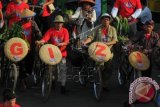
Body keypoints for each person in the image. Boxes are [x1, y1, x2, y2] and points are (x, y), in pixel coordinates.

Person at [83, 13, 118, 90]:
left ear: (109, 21)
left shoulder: (113, 29)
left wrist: (106, 44)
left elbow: (115, 41)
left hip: (108, 51)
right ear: (101, 21)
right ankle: (95, 78)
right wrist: (85, 42)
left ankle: (104, 84)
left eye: (107, 20)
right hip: (98, 50)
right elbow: (91, 37)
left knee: (108, 68)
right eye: (104, 19)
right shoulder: (97, 28)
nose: (106, 21)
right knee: (94, 64)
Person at [35, 15, 69, 94]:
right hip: (52, 53)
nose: (59, 24)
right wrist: (40, 42)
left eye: (60, 23)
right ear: (54, 23)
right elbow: (45, 38)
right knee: (52, 70)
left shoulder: (65, 31)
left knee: (63, 70)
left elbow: (66, 41)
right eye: (57, 23)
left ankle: (63, 87)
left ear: (62, 24)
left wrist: (60, 44)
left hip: (62, 53)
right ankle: (52, 81)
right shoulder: (51, 30)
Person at [17, 9, 42, 90]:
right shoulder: (18, 24)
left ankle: (25, 76)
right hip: (20, 47)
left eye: (29, 17)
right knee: (22, 64)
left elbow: (39, 34)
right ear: (23, 18)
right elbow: (14, 35)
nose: (28, 19)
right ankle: (22, 81)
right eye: (26, 18)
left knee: (30, 63)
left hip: (31, 47)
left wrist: (38, 38)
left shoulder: (33, 23)